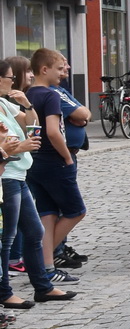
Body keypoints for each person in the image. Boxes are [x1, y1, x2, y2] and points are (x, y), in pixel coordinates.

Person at [0, 57, 70, 308]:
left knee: (34, 232)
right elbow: (4, 148)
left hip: (18, 175)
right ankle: (4, 292)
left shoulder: (5, 105)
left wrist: (27, 104)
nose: (14, 81)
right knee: (7, 239)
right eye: (9, 78)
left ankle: (43, 287)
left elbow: (33, 126)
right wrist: (22, 146)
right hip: (6, 178)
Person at [23, 50, 84, 282]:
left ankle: (48, 268)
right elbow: (52, 131)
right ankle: (40, 259)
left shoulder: (29, 95)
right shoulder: (51, 96)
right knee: (76, 211)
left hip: (35, 161)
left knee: (47, 214)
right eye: (59, 69)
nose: (63, 73)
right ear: (44, 69)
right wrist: (67, 158)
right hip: (53, 161)